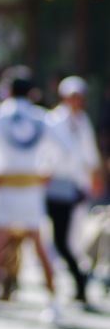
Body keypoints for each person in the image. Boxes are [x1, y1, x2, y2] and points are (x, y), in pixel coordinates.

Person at [0, 66, 70, 323]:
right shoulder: (41, 117)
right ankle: (53, 303)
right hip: (31, 191)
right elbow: (66, 149)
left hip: (4, 190)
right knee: (40, 247)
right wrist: (47, 171)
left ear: (6, 90)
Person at [45, 75, 104, 306]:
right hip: (56, 185)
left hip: (77, 187)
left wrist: (95, 178)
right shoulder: (54, 120)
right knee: (55, 239)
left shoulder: (83, 121)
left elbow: (90, 155)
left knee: (74, 236)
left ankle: (76, 280)